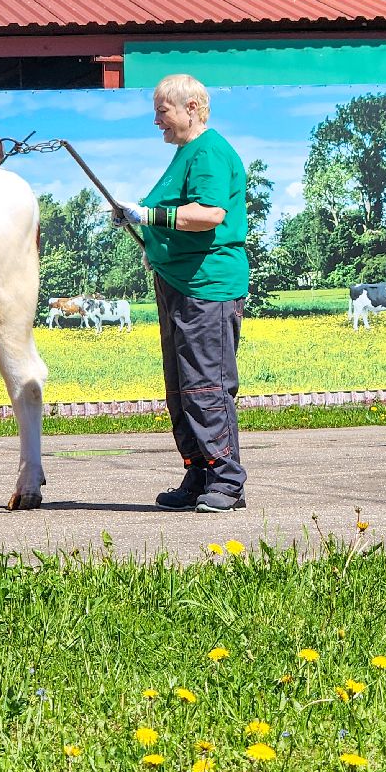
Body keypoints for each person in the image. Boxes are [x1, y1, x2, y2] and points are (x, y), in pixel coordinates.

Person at [115, 75, 250, 511]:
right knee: (181, 387)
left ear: (191, 107)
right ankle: (199, 472)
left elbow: (209, 213)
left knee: (205, 385)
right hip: (179, 284)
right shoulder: (185, 153)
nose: (156, 120)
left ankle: (226, 481)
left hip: (206, 287)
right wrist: (148, 233)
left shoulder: (208, 151)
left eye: (162, 110)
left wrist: (150, 215)